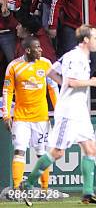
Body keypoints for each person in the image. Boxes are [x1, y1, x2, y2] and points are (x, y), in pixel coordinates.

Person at [22, 25, 96, 205]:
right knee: (58, 152)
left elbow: (51, 71)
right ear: (86, 40)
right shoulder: (76, 57)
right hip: (69, 111)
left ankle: (87, 193)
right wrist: (91, 82)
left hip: (79, 111)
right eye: (95, 38)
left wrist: (63, 84)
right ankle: (28, 185)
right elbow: (72, 82)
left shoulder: (75, 56)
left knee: (90, 148)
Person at [2, 36, 58, 190]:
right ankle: (16, 187)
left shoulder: (46, 64)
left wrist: (59, 111)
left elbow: (53, 89)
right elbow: (7, 91)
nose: (41, 50)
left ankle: (45, 189)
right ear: (28, 50)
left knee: (42, 153)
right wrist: (6, 115)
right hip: (21, 118)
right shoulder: (14, 66)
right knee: (19, 150)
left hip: (41, 117)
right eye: (37, 47)